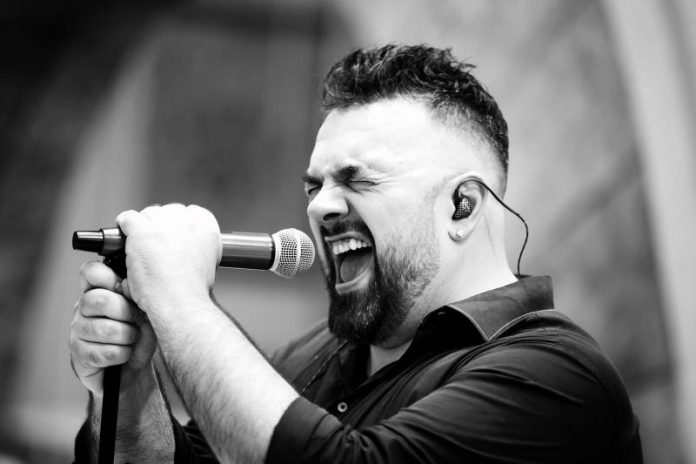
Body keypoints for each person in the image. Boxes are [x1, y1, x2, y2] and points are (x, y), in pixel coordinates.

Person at [70, 44, 642, 463]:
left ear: (462, 206)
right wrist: (132, 390)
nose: (319, 207)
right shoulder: (315, 354)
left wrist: (181, 300)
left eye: (356, 179)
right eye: (314, 186)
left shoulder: (557, 380)